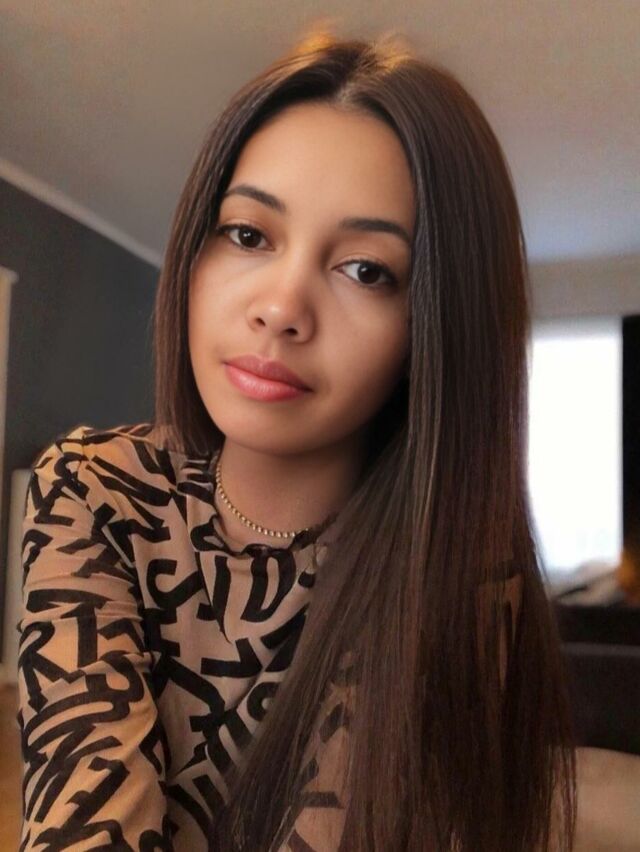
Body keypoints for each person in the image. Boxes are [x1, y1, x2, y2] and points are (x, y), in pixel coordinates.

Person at [16, 27, 578, 852]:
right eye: (248, 235)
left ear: (434, 330)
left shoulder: (455, 572)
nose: (281, 308)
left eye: (366, 270)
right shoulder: (95, 489)